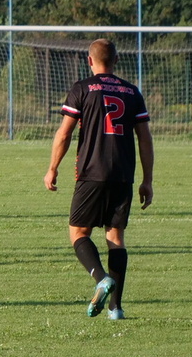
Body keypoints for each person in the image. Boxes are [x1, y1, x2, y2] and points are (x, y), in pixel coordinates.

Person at [44, 39, 154, 320]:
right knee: (115, 237)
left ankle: (101, 278)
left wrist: (52, 167)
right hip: (123, 175)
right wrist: (147, 180)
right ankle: (116, 309)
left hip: (91, 173)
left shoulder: (82, 88)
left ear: (89, 61)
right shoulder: (132, 91)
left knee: (78, 233)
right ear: (116, 61)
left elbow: (65, 133)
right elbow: (144, 138)